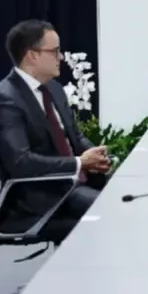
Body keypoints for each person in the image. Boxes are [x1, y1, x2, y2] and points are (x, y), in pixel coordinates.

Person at [0, 20, 112, 223]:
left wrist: (95, 155)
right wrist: (79, 163)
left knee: (126, 195)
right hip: (40, 197)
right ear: (32, 55)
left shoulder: (55, 89)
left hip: (74, 184)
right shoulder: (6, 98)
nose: (61, 57)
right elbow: (20, 162)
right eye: (54, 51)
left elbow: (75, 136)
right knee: (109, 211)